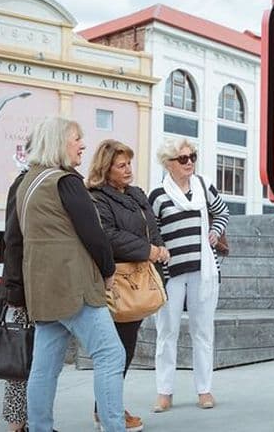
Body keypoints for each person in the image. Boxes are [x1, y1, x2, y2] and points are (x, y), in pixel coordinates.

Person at [16, 116, 126, 432]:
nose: (82, 145)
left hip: (42, 289)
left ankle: (39, 427)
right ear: (58, 142)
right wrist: (108, 270)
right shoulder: (66, 181)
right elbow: (94, 234)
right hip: (74, 288)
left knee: (45, 367)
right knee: (110, 355)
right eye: (77, 138)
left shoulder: (27, 183)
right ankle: (114, 427)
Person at [87, 139, 171, 431]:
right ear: (105, 168)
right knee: (115, 352)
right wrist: (149, 250)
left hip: (140, 278)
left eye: (129, 164)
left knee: (125, 348)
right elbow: (109, 236)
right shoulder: (97, 197)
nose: (128, 169)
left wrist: (160, 248)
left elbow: (151, 227)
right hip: (116, 280)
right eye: (121, 165)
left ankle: (105, 409)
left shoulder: (136, 194)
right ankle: (108, 412)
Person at [148, 138, 229, 412]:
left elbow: (222, 212)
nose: (189, 162)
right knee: (166, 332)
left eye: (192, 156)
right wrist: (160, 249)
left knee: (203, 331)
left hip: (203, 271)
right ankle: (164, 392)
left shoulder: (204, 186)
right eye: (183, 158)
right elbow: (151, 230)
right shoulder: (158, 195)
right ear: (168, 163)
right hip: (170, 273)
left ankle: (204, 390)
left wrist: (215, 232)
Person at [1, 137, 31, 432]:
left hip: (38, 286)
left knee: (35, 359)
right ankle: (16, 424)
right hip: (25, 287)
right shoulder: (23, 183)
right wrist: (14, 288)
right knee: (21, 357)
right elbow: (12, 238)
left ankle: (29, 421)